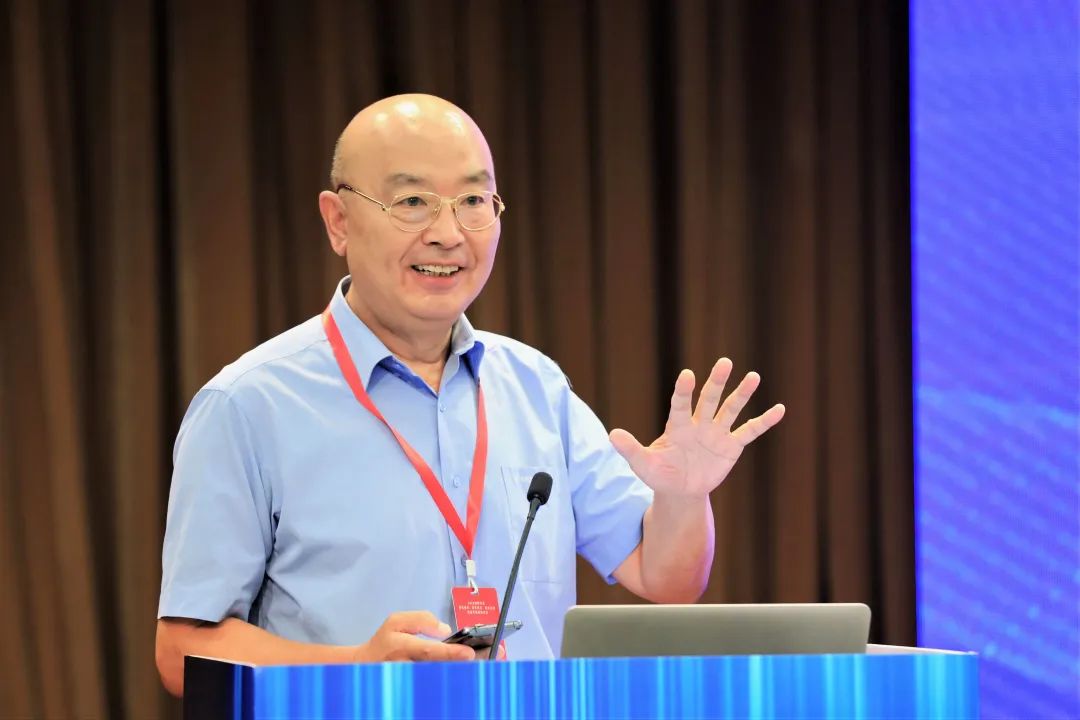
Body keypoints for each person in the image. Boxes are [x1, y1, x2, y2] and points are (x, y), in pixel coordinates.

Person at [154, 94, 785, 696]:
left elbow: (666, 577)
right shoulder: (248, 405)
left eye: (473, 201)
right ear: (338, 221)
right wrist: (358, 668)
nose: (448, 233)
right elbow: (183, 651)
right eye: (413, 202)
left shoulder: (536, 387)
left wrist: (683, 498)